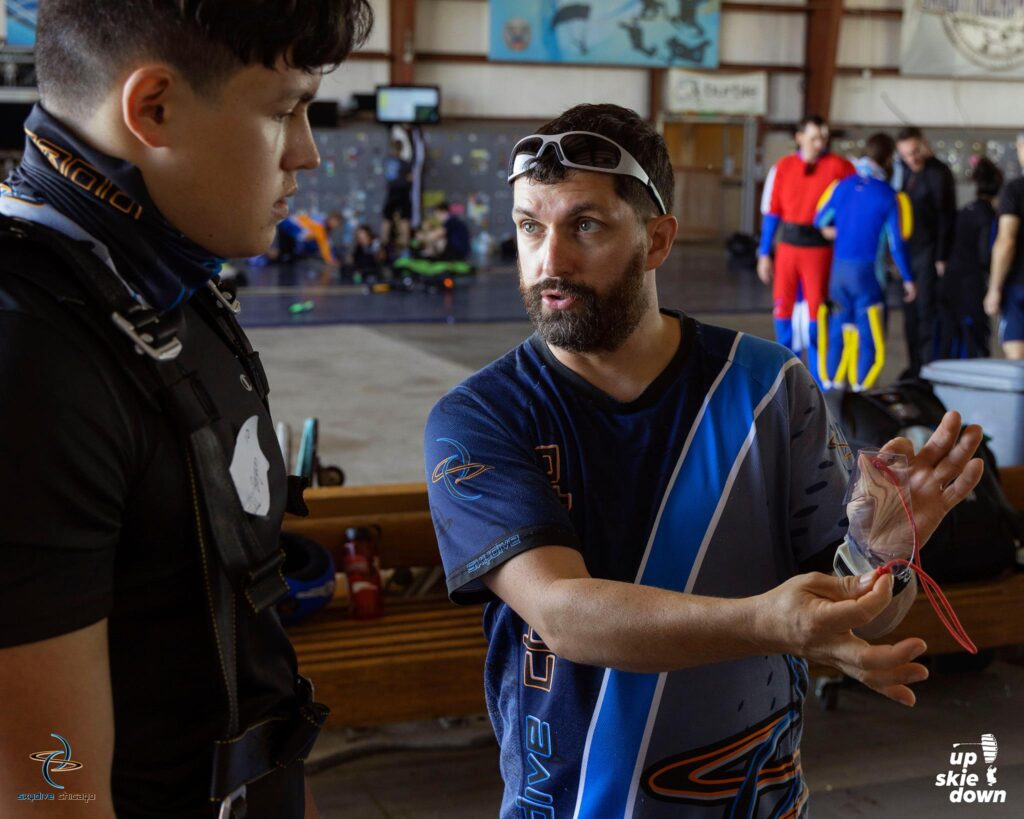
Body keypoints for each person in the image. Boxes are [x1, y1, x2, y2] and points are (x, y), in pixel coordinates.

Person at [424, 103, 984, 818]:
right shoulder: (481, 415)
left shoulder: (768, 387)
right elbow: (563, 615)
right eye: (531, 225)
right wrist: (768, 622)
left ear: (656, 240)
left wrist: (884, 555)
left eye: (585, 225)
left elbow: (858, 620)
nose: (549, 260)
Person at [0, 1, 372, 817]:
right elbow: (43, 789)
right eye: (284, 110)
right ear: (153, 108)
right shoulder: (28, 355)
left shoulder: (160, 280)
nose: (307, 153)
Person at [814, 133, 916, 391]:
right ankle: (862, 393)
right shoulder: (889, 195)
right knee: (868, 335)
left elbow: (820, 218)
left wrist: (834, 230)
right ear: (889, 158)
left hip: (838, 272)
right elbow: (896, 244)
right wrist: (908, 278)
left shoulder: (843, 185)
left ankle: (832, 393)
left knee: (838, 329)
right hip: (868, 274)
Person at [758, 115, 855, 383]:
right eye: (813, 137)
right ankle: (788, 375)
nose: (819, 143)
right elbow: (771, 213)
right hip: (788, 248)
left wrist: (842, 231)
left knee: (816, 314)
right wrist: (764, 253)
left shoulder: (840, 167)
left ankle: (818, 380)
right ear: (799, 137)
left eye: (823, 137)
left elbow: (855, 206)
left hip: (820, 252)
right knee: (782, 310)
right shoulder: (783, 167)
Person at [895, 126, 958, 375]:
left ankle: (926, 369)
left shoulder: (938, 173)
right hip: (909, 252)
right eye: (906, 155)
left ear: (923, 145)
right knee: (910, 312)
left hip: (930, 251)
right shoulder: (905, 173)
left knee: (925, 311)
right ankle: (913, 366)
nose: (912, 159)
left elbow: (946, 218)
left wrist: (942, 256)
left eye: (915, 152)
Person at [940, 157, 1003, 359]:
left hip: (951, 280)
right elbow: (986, 253)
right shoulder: (988, 216)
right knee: (975, 335)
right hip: (971, 283)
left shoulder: (965, 211)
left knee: (953, 334)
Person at [985, 133, 1024, 361]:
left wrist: (994, 287)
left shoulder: (1015, 190)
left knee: (1017, 356)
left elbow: (1006, 241)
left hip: (1019, 286)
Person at [381, 137, 413, 250]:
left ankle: (383, 244)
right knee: (405, 217)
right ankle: (405, 245)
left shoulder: (388, 162)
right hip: (403, 191)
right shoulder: (404, 163)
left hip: (391, 191)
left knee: (387, 217)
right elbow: (410, 178)